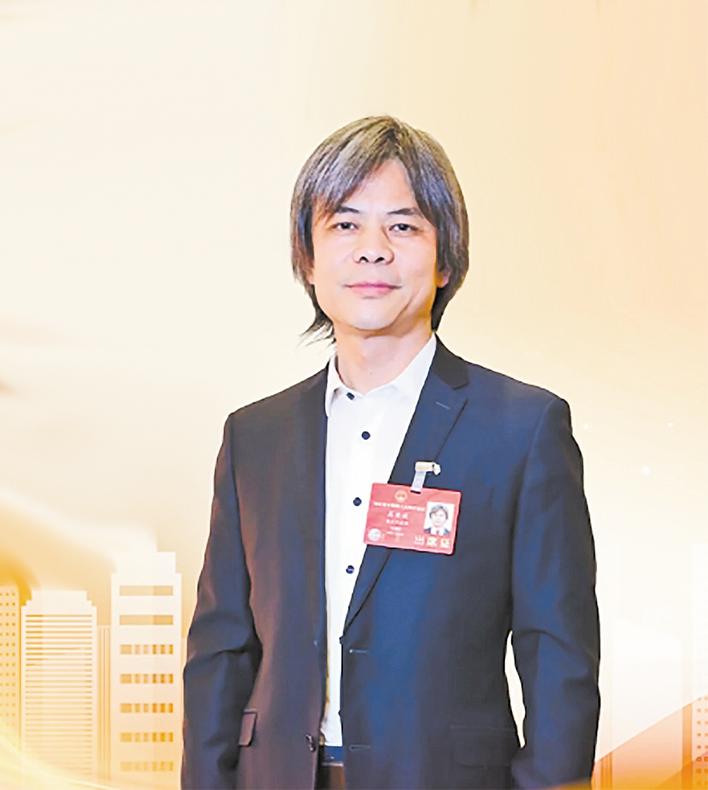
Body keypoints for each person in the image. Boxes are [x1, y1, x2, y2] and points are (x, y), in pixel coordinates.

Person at [181, 115, 600, 790]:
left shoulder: (522, 429)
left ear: (446, 260)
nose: (372, 251)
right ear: (308, 258)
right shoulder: (254, 437)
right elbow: (220, 651)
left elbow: (559, 655)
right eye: (344, 225)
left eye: (403, 226)